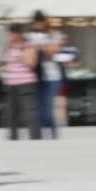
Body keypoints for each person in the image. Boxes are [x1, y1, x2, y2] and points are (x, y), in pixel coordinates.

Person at [0, 24, 40, 141]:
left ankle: (35, 137)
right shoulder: (8, 46)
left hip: (26, 82)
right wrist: (4, 67)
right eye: (11, 34)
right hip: (11, 83)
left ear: (20, 34)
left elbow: (31, 63)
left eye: (14, 33)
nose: (11, 36)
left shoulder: (29, 45)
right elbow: (5, 63)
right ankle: (13, 138)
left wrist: (20, 50)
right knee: (11, 113)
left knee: (30, 113)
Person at [27, 11, 64, 139]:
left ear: (45, 22)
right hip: (36, 77)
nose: (37, 26)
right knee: (38, 109)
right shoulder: (30, 36)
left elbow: (54, 51)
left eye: (40, 22)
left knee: (47, 109)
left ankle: (54, 133)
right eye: (35, 23)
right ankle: (40, 136)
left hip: (52, 77)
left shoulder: (54, 35)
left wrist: (42, 43)